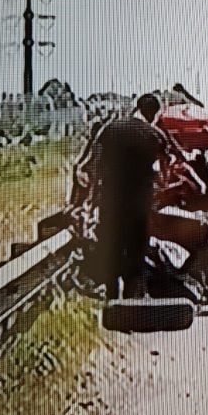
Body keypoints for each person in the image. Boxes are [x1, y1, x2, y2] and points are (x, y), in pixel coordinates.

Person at [71, 93, 171, 299]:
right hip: (139, 203)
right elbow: (163, 175)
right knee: (136, 250)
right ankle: (132, 301)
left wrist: (91, 199)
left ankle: (111, 298)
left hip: (111, 200)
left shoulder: (110, 129)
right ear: (154, 113)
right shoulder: (155, 135)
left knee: (112, 246)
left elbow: (95, 166)